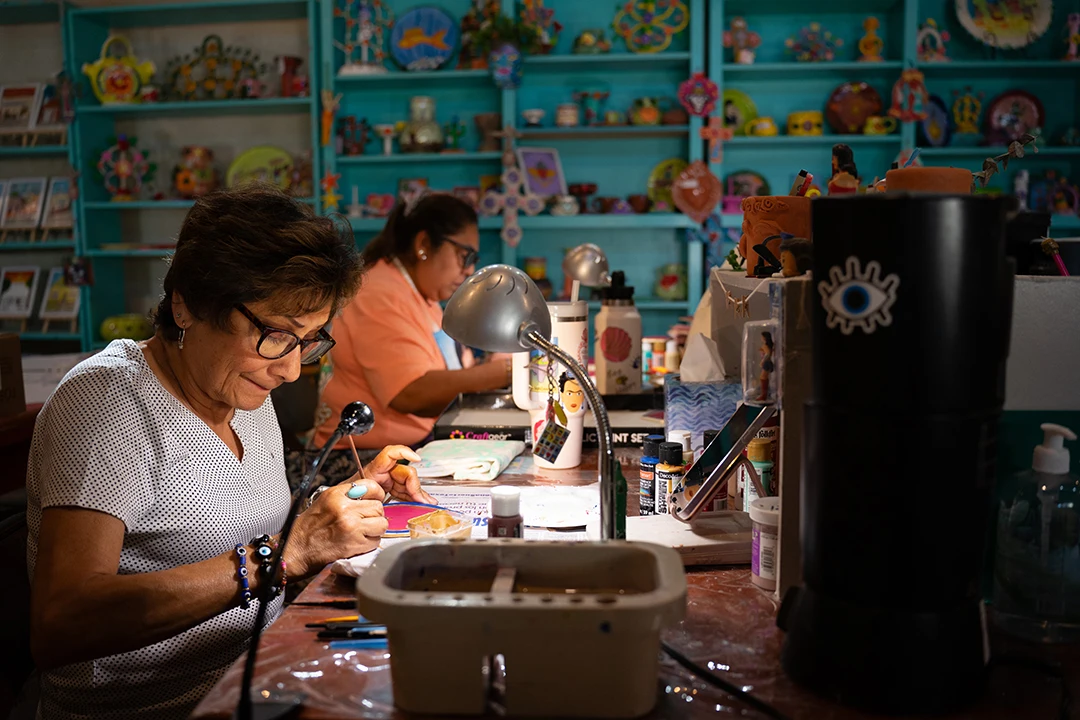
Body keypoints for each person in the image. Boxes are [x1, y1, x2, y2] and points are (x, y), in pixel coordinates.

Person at [24, 185, 433, 720]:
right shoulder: (109, 402)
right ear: (187, 304)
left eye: (308, 340)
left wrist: (335, 512)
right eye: (276, 334)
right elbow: (62, 622)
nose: (289, 370)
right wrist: (279, 557)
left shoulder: (240, 391)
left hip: (261, 678)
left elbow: (248, 526)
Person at [311, 192, 511, 484]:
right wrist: (503, 372)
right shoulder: (378, 292)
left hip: (409, 447)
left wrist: (493, 365)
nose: (469, 269)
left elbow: (451, 372)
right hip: (362, 460)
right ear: (424, 245)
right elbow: (410, 394)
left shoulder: (422, 294)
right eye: (464, 255)